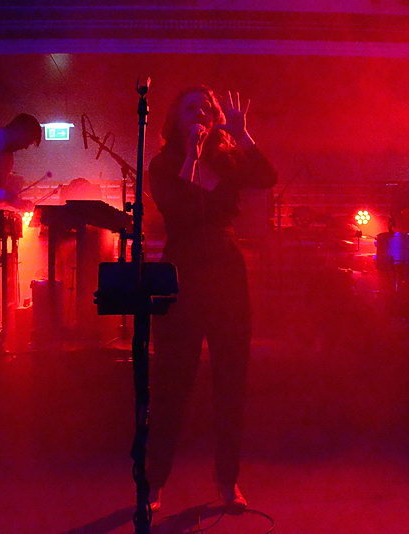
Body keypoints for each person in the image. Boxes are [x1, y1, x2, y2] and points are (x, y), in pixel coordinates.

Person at [147, 87, 277, 512]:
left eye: (207, 107)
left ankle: (228, 481)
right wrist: (191, 155)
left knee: (231, 378)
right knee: (171, 380)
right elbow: (178, 208)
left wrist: (243, 135)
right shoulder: (163, 163)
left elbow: (267, 177)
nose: (200, 112)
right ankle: (154, 481)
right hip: (182, 269)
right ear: (175, 117)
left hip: (225, 267)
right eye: (191, 107)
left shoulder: (229, 159)